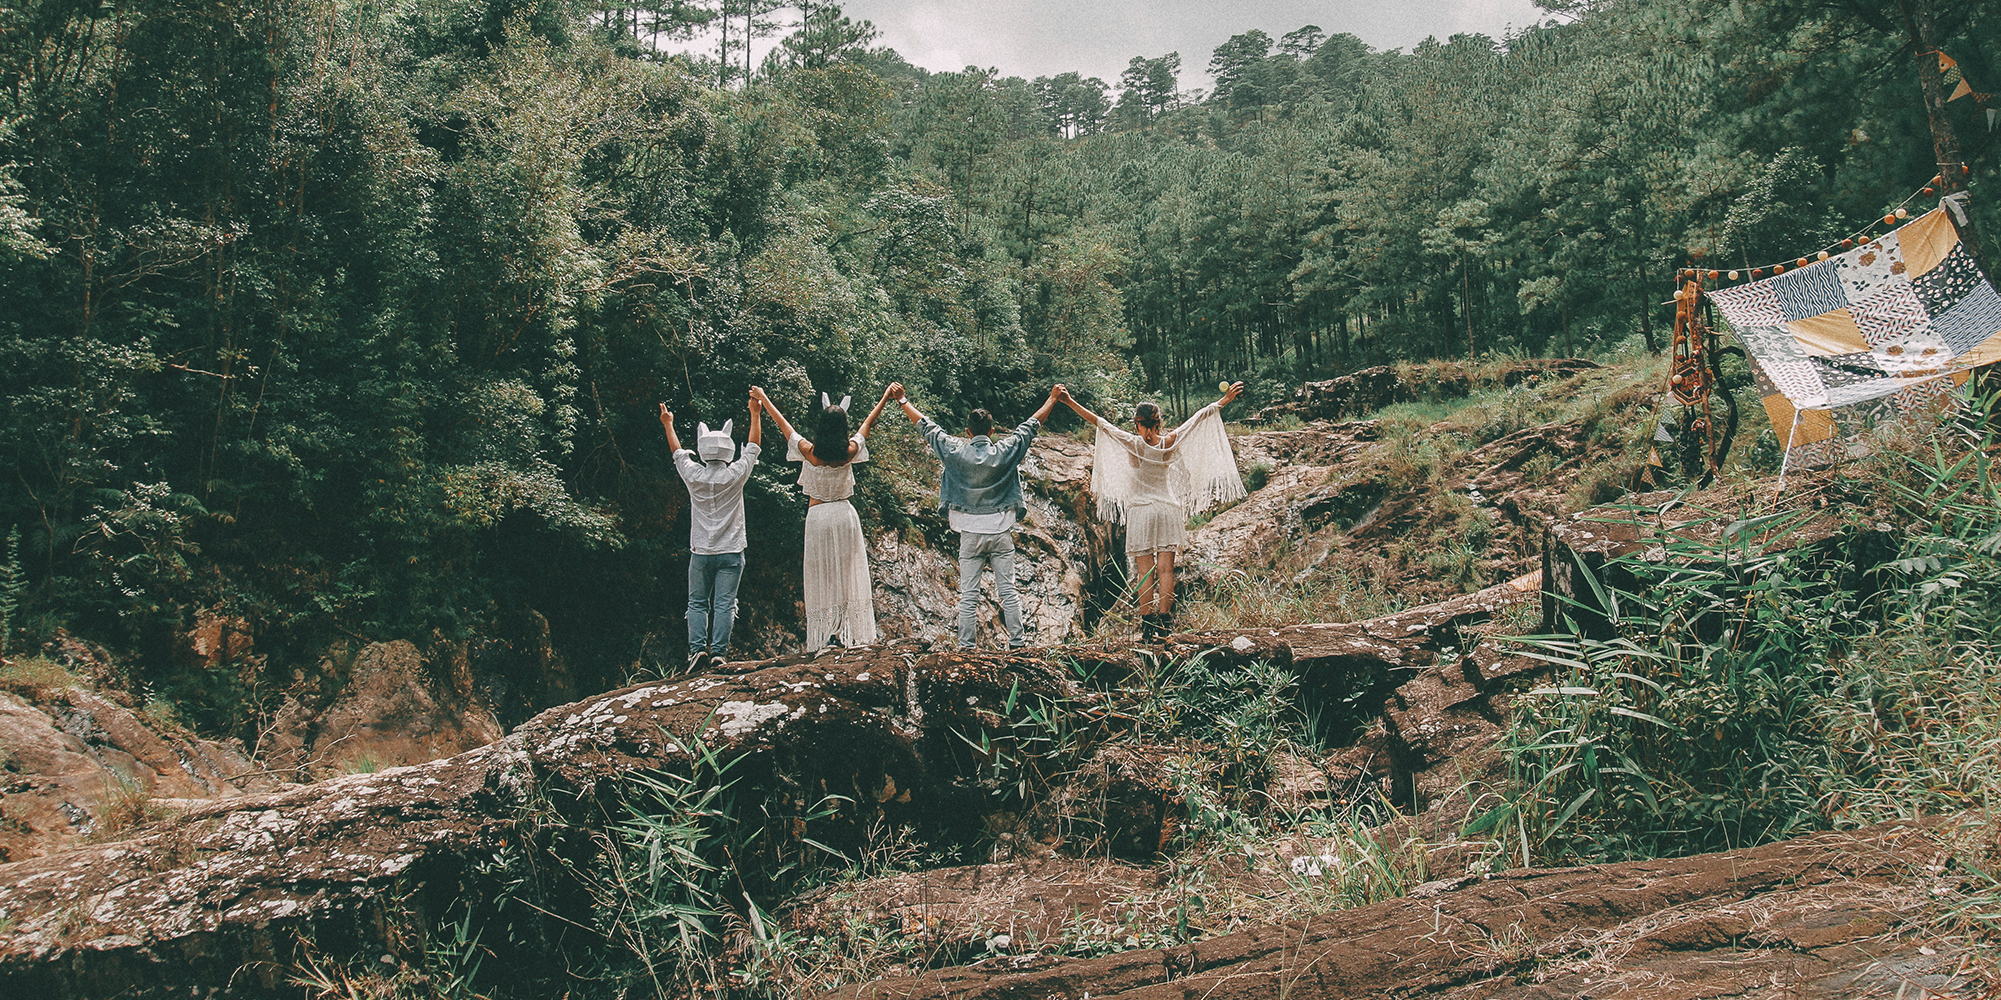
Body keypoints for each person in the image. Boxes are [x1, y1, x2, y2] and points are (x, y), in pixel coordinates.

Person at [1055, 382, 1247, 641]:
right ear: (1158, 422)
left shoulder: (1133, 443)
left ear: (1136, 423)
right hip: (1167, 508)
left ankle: (1148, 627)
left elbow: (1099, 422)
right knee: (1166, 570)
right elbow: (1198, 418)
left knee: (1145, 571)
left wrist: (1068, 401)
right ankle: (1165, 624)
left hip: (1142, 511)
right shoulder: (1168, 441)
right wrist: (1224, 400)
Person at [894, 383, 1063, 650]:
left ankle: (966, 647)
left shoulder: (954, 450)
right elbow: (1030, 426)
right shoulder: (1006, 450)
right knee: (1008, 591)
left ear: (967, 433)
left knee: (968, 595)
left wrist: (903, 400)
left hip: (970, 533)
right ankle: (1018, 643)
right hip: (1000, 531)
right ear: (992, 432)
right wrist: (1052, 400)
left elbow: (928, 428)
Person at [751, 384, 894, 653]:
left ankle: (828, 634)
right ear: (843, 428)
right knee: (844, 572)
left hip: (818, 517)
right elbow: (868, 423)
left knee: (822, 574)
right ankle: (842, 632)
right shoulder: (849, 451)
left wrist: (764, 399)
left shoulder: (809, 451)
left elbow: (783, 424)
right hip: (844, 515)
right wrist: (885, 397)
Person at [661, 396, 763, 672]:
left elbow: (678, 452)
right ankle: (718, 653)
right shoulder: (735, 475)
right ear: (729, 451)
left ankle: (697, 651)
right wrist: (755, 414)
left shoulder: (694, 475)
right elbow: (753, 448)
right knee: (725, 604)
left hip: (701, 551)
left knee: (697, 603)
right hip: (731, 550)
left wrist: (668, 424)